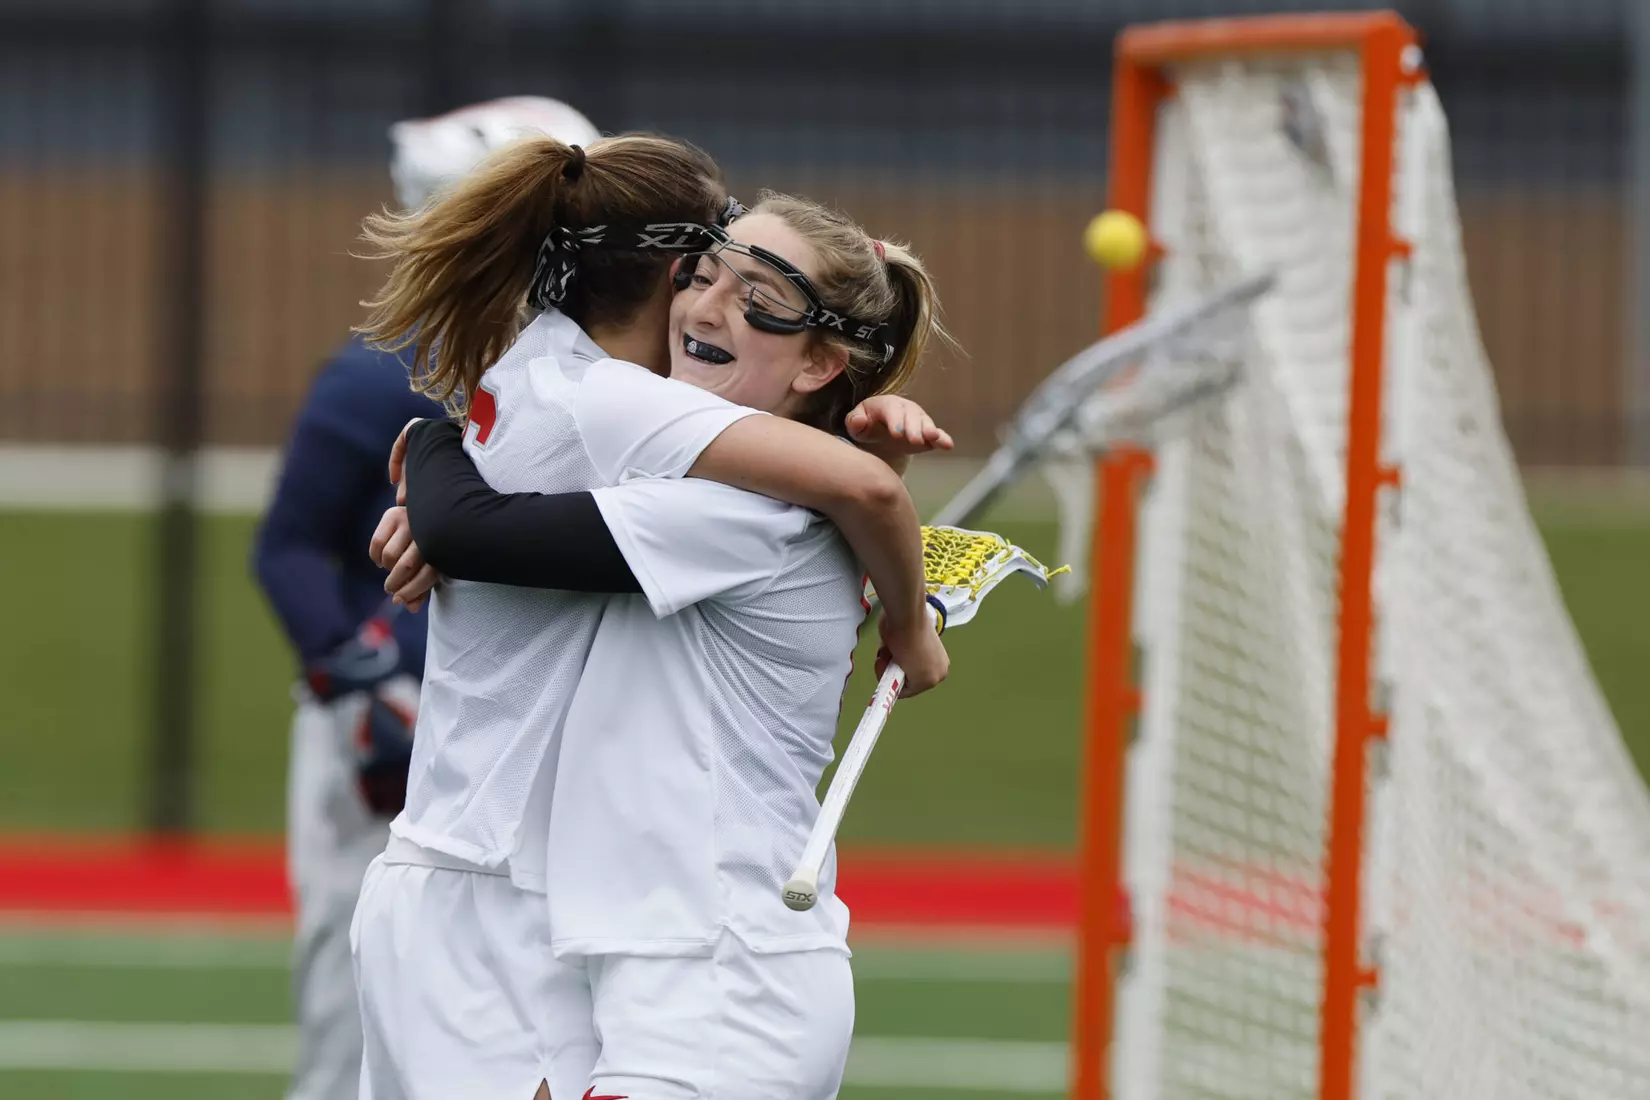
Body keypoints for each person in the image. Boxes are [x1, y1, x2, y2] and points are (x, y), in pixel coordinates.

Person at [346, 135, 949, 1100]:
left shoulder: (697, 478)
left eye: (759, 297)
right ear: (674, 273)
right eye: (709, 273)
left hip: (695, 957)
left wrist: (434, 456)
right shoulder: (638, 431)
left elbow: (858, 493)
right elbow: (860, 489)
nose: (712, 304)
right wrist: (436, 462)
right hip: (531, 910)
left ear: (820, 358)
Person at [249, 96, 599, 1100]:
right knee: (359, 1002)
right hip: (397, 725)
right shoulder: (382, 375)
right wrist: (361, 678)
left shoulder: (582, 370)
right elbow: (289, 547)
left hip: (522, 726)